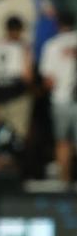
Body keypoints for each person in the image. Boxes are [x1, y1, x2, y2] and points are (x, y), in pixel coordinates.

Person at [40, 13, 77, 184]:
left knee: (63, 142)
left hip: (61, 98)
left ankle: (65, 181)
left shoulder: (52, 45)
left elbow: (48, 81)